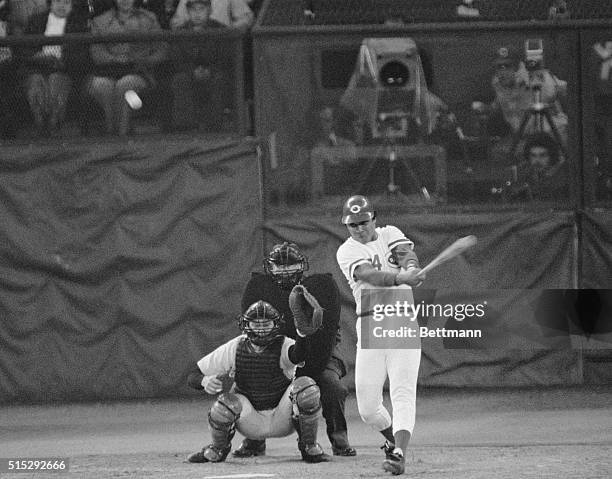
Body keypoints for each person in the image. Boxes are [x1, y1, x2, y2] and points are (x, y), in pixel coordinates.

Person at [235, 242, 356, 458]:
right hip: (277, 351)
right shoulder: (259, 288)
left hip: (319, 349)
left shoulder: (320, 288)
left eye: (290, 266)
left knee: (331, 384)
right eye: (279, 267)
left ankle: (339, 438)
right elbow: (253, 331)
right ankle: (254, 441)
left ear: (302, 266)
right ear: (269, 268)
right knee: (252, 379)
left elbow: (326, 334)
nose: (285, 271)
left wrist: (311, 365)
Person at [336, 195, 425, 476]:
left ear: (374, 217)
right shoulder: (346, 251)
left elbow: (405, 254)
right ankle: (392, 441)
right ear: (347, 225)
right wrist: (401, 278)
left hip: (402, 321)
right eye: (353, 225)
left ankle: (399, 452)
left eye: (364, 222)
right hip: (370, 325)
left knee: (402, 391)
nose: (360, 229)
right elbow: (370, 275)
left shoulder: (390, 233)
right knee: (368, 407)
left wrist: (411, 268)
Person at [186, 300, 330, 464]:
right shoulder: (235, 347)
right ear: (246, 325)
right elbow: (193, 376)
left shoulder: (283, 344)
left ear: (275, 324)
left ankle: (308, 446)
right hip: (250, 421)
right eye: (256, 324)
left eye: (266, 323)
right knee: (225, 405)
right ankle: (218, 448)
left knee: (306, 388)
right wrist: (204, 381)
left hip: (283, 417)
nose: (261, 328)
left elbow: (298, 355)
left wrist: (302, 334)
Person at [85, 0, 168, 135]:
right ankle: (112, 129)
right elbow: (96, 53)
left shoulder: (149, 18)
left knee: (125, 85)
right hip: (108, 72)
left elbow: (162, 49)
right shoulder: (99, 20)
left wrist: (145, 61)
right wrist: (115, 59)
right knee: (100, 85)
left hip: (140, 73)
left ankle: (121, 134)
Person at [19, 0, 88, 136]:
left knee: (55, 81)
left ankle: (54, 124)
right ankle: (39, 123)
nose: (62, 6)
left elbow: (81, 54)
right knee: (36, 82)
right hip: (36, 67)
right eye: (58, 1)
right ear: (50, 4)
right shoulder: (36, 20)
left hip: (63, 69)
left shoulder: (79, 23)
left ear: (72, 6)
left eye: (67, 2)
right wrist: (38, 57)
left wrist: (62, 61)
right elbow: (22, 49)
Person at [475, 45, 568, 146]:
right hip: (522, 138)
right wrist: (486, 108)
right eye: (499, 67)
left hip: (552, 135)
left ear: (516, 67)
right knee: (498, 154)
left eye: (507, 66)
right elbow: (501, 103)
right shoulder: (498, 83)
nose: (502, 72)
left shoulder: (536, 77)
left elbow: (566, 90)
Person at [169, 0, 229, 131]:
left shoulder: (221, 30)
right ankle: (185, 128)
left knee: (219, 79)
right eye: (193, 10)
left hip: (214, 72)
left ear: (209, 10)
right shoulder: (180, 32)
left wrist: (210, 71)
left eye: (201, 9)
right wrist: (192, 72)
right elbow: (176, 60)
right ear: (188, 12)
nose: (197, 13)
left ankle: (214, 127)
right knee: (180, 80)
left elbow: (225, 58)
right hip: (188, 73)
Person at [508, 132, 567, 202]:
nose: (537, 160)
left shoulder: (562, 178)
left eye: (543, 155)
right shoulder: (525, 175)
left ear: (551, 156)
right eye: (533, 155)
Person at [170, 0, 253, 29]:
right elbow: (176, 22)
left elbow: (247, 18)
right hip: (193, 43)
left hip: (222, 42)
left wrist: (229, 29)